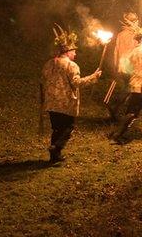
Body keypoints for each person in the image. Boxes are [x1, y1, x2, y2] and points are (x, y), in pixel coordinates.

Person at [41, 25, 101, 162]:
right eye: (74, 51)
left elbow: (43, 78)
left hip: (51, 102)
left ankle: (54, 156)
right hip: (65, 103)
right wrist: (93, 77)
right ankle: (56, 147)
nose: (75, 54)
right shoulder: (71, 65)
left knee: (57, 129)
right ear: (67, 52)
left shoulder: (49, 63)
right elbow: (76, 83)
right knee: (68, 128)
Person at [106, 11, 139, 120]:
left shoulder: (120, 34)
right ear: (131, 22)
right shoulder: (134, 35)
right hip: (130, 64)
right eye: (135, 20)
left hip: (122, 64)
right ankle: (116, 107)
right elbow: (136, 50)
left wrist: (117, 65)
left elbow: (116, 51)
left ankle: (121, 109)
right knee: (130, 88)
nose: (137, 22)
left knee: (128, 86)